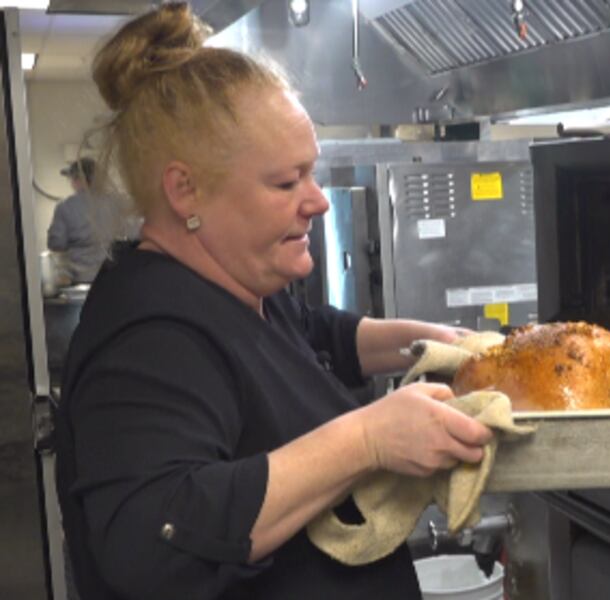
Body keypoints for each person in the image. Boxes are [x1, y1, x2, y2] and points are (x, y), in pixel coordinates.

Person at [54, 4, 494, 599]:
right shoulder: (148, 336)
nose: (317, 201)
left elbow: (313, 335)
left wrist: (437, 344)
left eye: (311, 175)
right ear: (185, 190)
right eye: (286, 183)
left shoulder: (237, 286)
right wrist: (369, 440)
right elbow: (151, 540)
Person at [47, 157, 107, 284]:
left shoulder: (65, 207)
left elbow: (56, 244)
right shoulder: (118, 203)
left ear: (80, 180)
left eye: (72, 179)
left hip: (80, 279)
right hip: (112, 280)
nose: (71, 183)